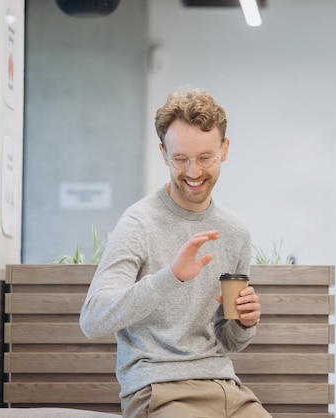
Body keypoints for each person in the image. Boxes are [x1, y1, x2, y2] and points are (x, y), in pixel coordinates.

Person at [80, 88, 271, 418]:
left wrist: (244, 323)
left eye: (205, 158)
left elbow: (229, 340)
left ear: (224, 150)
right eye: (180, 158)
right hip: (159, 390)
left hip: (227, 388)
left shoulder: (235, 232)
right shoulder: (138, 223)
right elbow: (93, 319)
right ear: (164, 154)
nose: (194, 172)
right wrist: (171, 277)